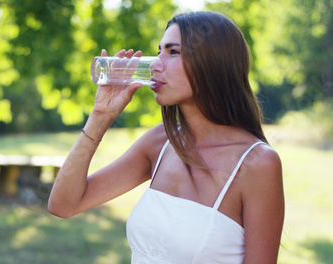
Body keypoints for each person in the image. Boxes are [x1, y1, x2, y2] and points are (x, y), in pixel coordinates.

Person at [48, 11, 284, 264]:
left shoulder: (257, 164)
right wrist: (100, 116)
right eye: (159, 51)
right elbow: (64, 204)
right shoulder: (160, 142)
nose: (155, 64)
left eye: (173, 52)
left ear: (213, 62)